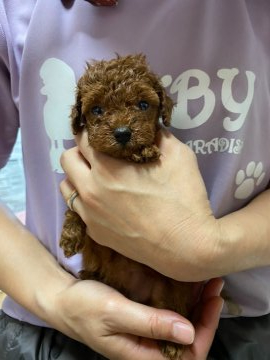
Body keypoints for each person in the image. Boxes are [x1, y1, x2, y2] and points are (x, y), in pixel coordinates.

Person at [0, 0, 269, 359]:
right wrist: (55, 297)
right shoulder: (17, 9)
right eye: (98, 111)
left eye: (142, 106)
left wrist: (212, 247)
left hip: (238, 317)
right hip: (54, 318)